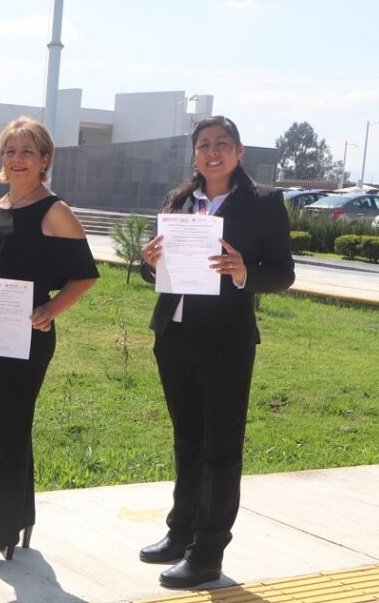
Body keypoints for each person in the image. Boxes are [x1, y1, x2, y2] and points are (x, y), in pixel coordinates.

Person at [138, 116, 295, 588]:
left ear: (239, 151)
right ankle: (180, 532)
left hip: (226, 341)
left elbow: (283, 273)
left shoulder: (263, 202)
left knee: (220, 448)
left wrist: (244, 272)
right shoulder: (179, 200)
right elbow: (154, 271)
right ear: (194, 154)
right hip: (174, 335)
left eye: (222, 143)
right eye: (204, 144)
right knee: (186, 441)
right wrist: (150, 264)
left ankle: (207, 553)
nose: (212, 151)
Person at [0, 116, 99, 563]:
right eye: (10, 151)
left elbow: (85, 275)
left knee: (8, 429)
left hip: (29, 336)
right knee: (7, 426)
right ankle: (21, 515)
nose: (17, 159)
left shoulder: (55, 211)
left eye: (27, 152)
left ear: (44, 159)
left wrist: (52, 310)